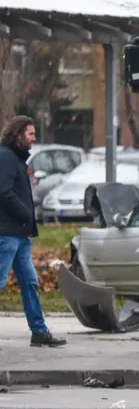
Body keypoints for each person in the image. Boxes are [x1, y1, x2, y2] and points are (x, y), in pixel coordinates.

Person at [0, 116, 66, 347]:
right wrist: (26, 214)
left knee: (29, 283)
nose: (34, 138)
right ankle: (39, 331)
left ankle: (39, 332)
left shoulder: (16, 159)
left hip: (20, 235)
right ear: (17, 134)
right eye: (30, 134)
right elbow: (4, 192)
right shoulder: (6, 157)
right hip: (6, 234)